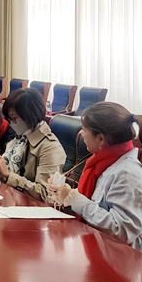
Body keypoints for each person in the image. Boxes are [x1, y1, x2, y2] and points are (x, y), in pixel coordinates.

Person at [46, 102, 142, 252]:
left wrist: (75, 199)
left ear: (101, 138)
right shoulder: (104, 162)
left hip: (119, 258)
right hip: (97, 247)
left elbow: (122, 231)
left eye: (84, 130)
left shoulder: (126, 174)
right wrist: (66, 195)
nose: (81, 134)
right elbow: (98, 205)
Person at [0, 88, 66, 202]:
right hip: (10, 198)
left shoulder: (50, 147)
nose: (12, 123)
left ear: (30, 115)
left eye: (15, 118)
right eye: (10, 119)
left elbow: (45, 194)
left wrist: (9, 175)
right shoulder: (20, 138)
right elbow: (4, 173)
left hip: (31, 207)